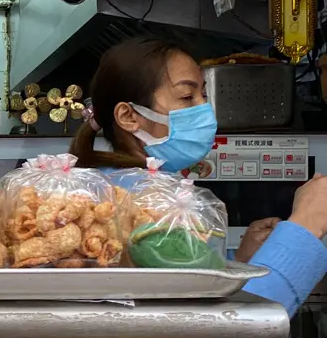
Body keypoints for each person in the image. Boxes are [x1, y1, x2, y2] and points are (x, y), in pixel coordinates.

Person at [71, 38, 327, 317]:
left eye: (204, 96)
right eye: (187, 97)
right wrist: (306, 224)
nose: (205, 110)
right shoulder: (140, 204)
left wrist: (237, 259)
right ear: (129, 116)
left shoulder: (121, 186)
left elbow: (177, 293)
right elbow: (224, 326)